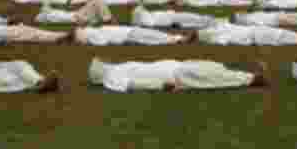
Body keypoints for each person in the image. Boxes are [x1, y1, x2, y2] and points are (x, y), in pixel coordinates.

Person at [88, 57, 267, 92]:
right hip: (173, 74)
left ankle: (247, 75)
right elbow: (132, 84)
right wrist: (161, 86)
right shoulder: (112, 77)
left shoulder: (117, 68)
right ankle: (250, 79)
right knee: (210, 77)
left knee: (210, 70)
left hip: (173, 67)